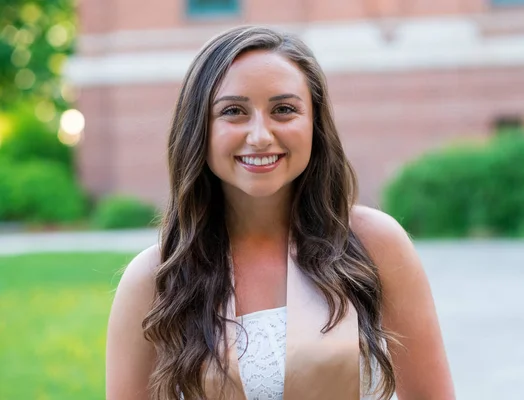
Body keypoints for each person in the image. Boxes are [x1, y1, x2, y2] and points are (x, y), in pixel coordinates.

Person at [106, 26, 455, 400]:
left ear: (314, 124)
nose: (260, 135)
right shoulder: (155, 278)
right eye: (234, 111)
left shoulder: (374, 244)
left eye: (284, 110)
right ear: (199, 129)